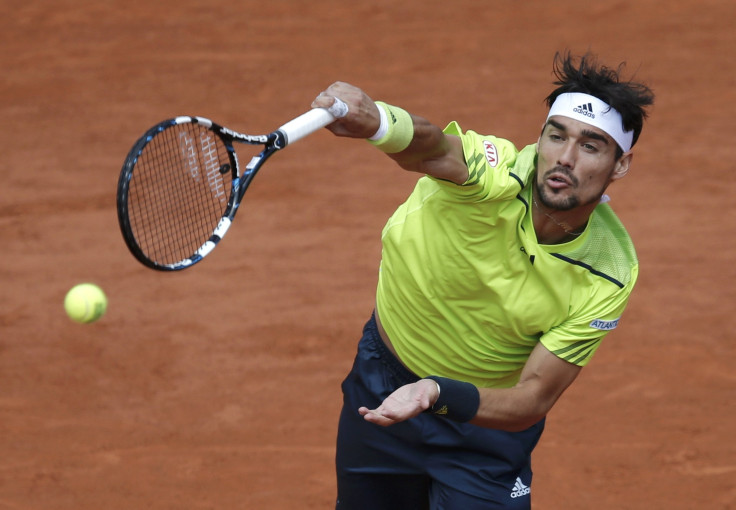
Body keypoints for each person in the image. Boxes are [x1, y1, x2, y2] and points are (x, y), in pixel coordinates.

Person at [311, 51, 654, 510]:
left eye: (590, 146)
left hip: (484, 428)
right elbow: (433, 146)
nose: (564, 159)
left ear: (621, 165)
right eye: (556, 136)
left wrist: (436, 392)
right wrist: (378, 121)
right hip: (382, 387)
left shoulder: (609, 273)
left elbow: (533, 397)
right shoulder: (495, 171)